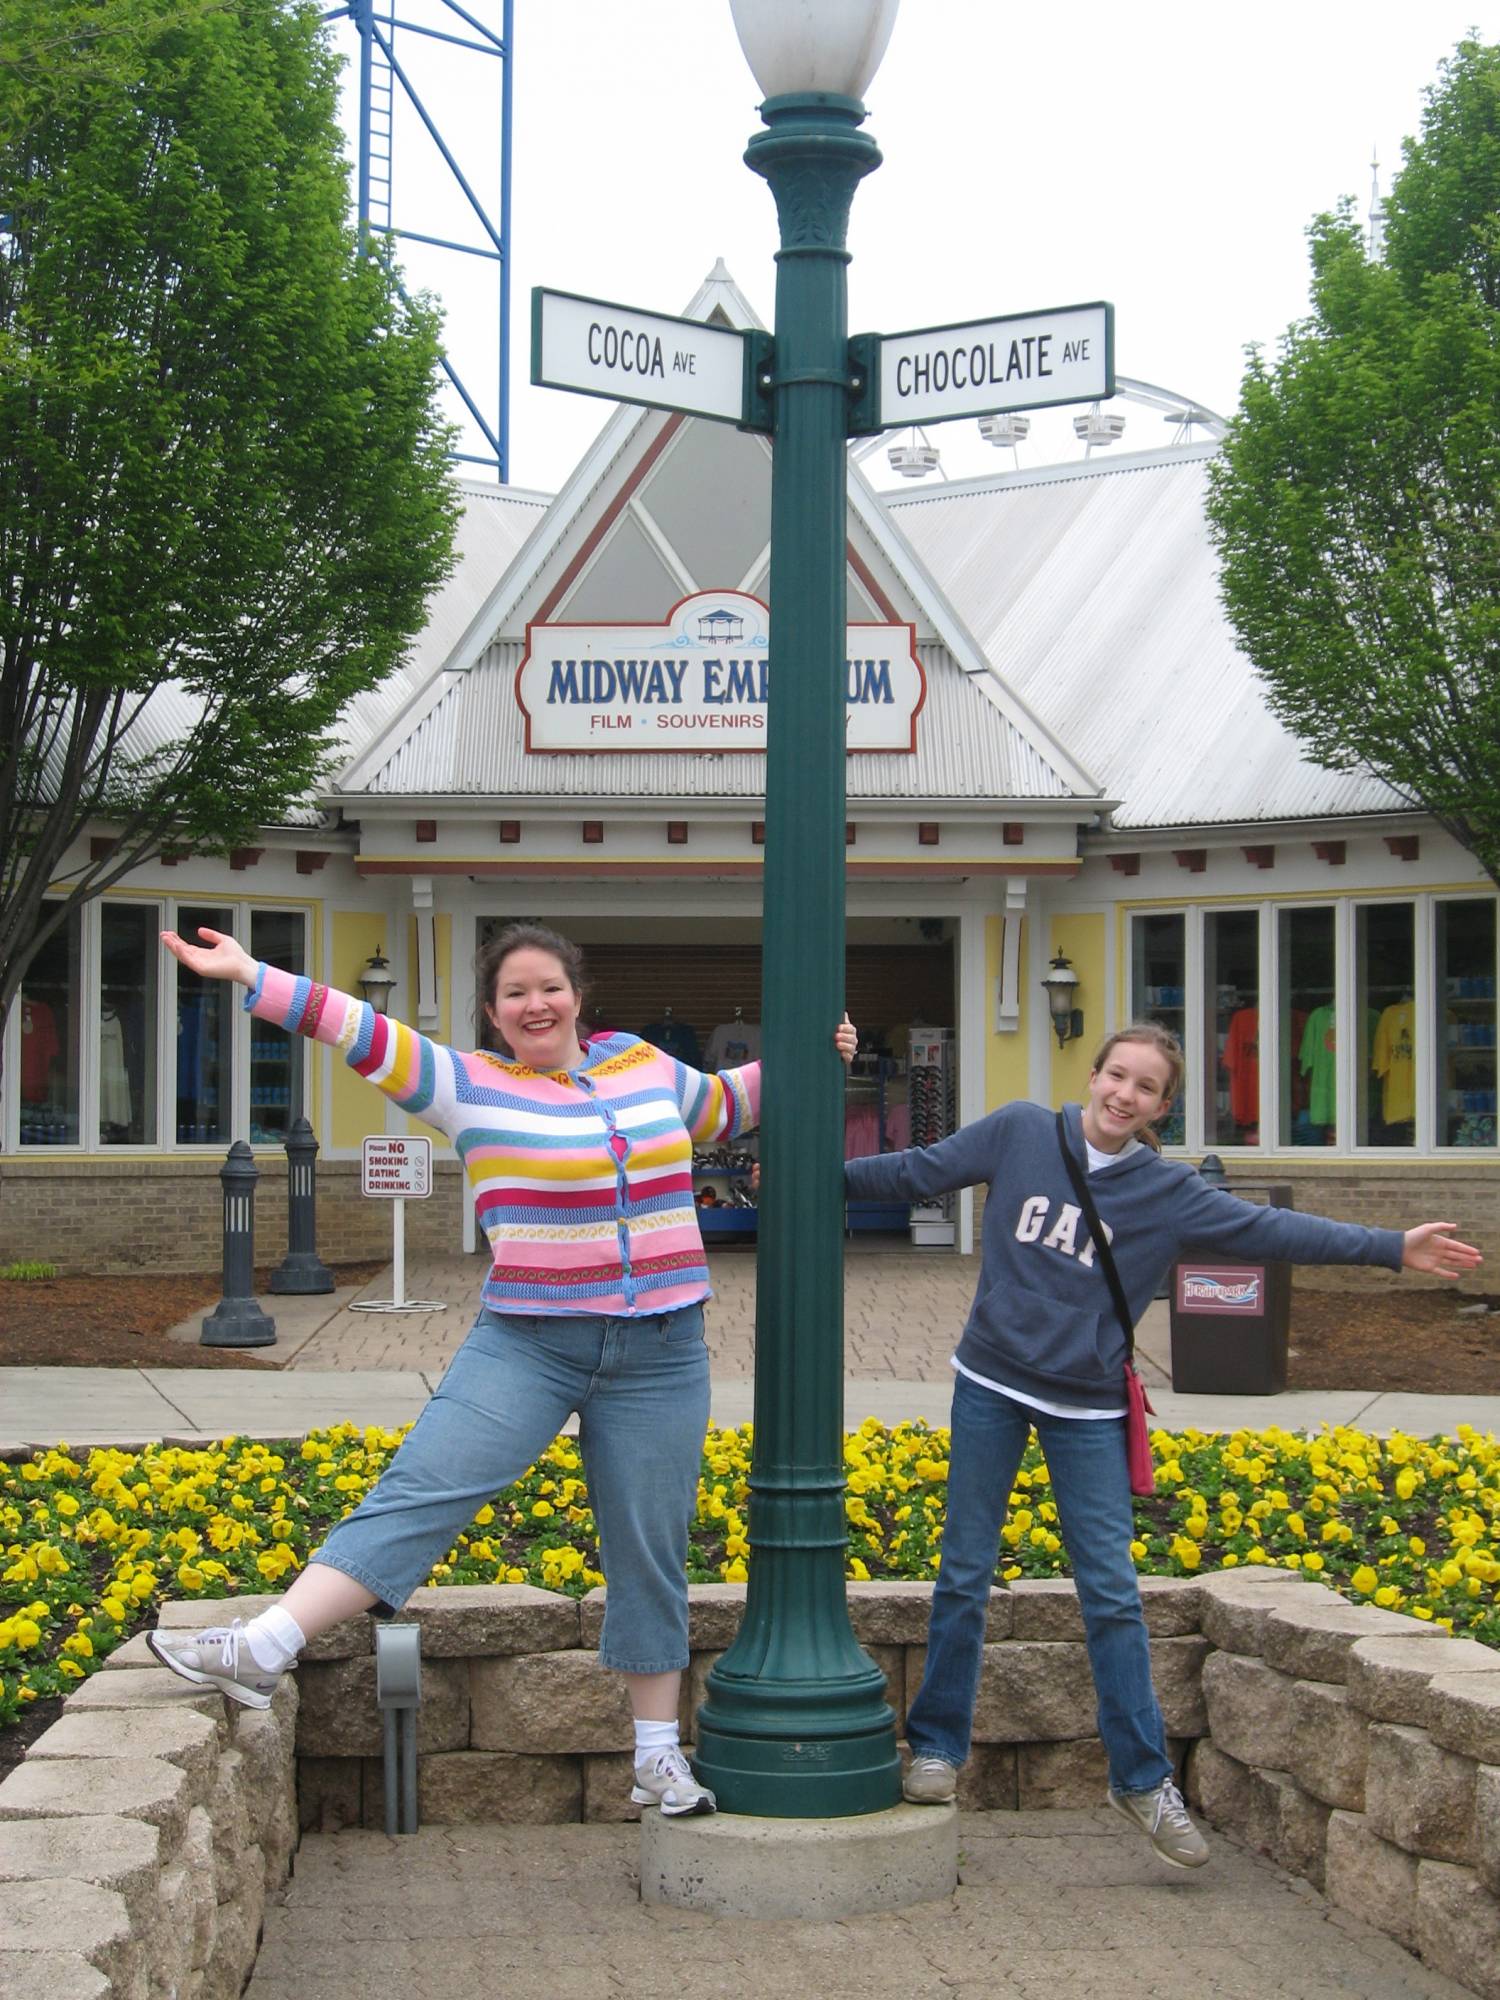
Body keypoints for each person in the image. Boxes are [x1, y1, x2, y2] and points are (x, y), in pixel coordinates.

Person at [150, 921, 857, 1818]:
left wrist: (819, 1052)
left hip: (663, 1351)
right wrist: (252, 975)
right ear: (492, 1011)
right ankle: (266, 1645)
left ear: (577, 994)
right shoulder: (465, 1084)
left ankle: (656, 1758)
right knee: (423, 1488)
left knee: (650, 1551)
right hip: (529, 1343)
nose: (536, 1004)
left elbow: (727, 1102)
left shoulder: (643, 1067)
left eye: (550, 987)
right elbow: (358, 1028)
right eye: (515, 993)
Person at [844, 1021, 1482, 1867]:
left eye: (1144, 1089)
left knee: (1110, 1592)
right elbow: (915, 1172)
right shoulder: (1021, 1131)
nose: (1123, 1095)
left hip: (1087, 1407)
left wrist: (1391, 1249)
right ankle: (936, 1749)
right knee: (963, 1573)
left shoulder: (1167, 1192)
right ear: (1093, 1074)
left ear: (1161, 1109)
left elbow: (1273, 1234)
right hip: (991, 1382)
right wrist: (810, 1178)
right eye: (1115, 1076)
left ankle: (1141, 1779)